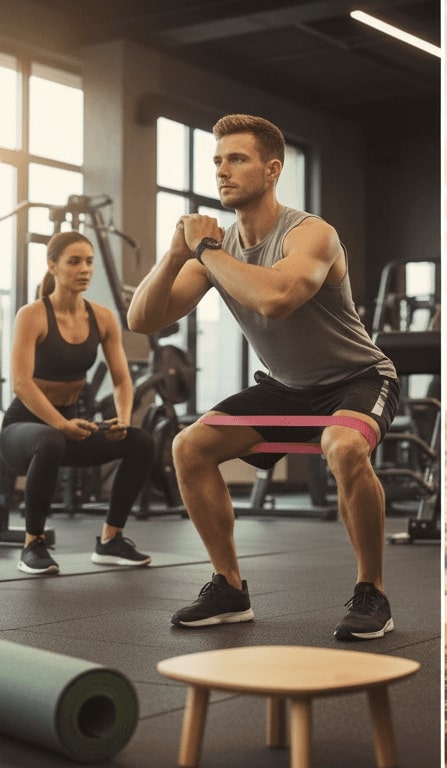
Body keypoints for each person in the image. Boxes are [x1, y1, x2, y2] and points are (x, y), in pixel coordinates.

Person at [127, 114, 400, 640]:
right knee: (189, 448)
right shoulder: (214, 250)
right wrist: (175, 253)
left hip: (357, 378)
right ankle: (228, 586)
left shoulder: (311, 234)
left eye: (236, 159)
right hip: (286, 387)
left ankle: (373, 593)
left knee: (344, 448)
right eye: (217, 161)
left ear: (272, 170)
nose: (222, 171)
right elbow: (143, 321)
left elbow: (276, 299)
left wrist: (207, 251)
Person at [1, 231, 155, 574]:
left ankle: (111, 539)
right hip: (22, 431)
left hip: (71, 428)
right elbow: (21, 384)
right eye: (74, 261)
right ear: (53, 266)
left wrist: (124, 420)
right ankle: (33, 543)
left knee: (141, 441)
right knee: (50, 438)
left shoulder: (101, 317)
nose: (84, 269)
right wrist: (61, 424)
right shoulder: (32, 315)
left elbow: (121, 379)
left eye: (89, 262)